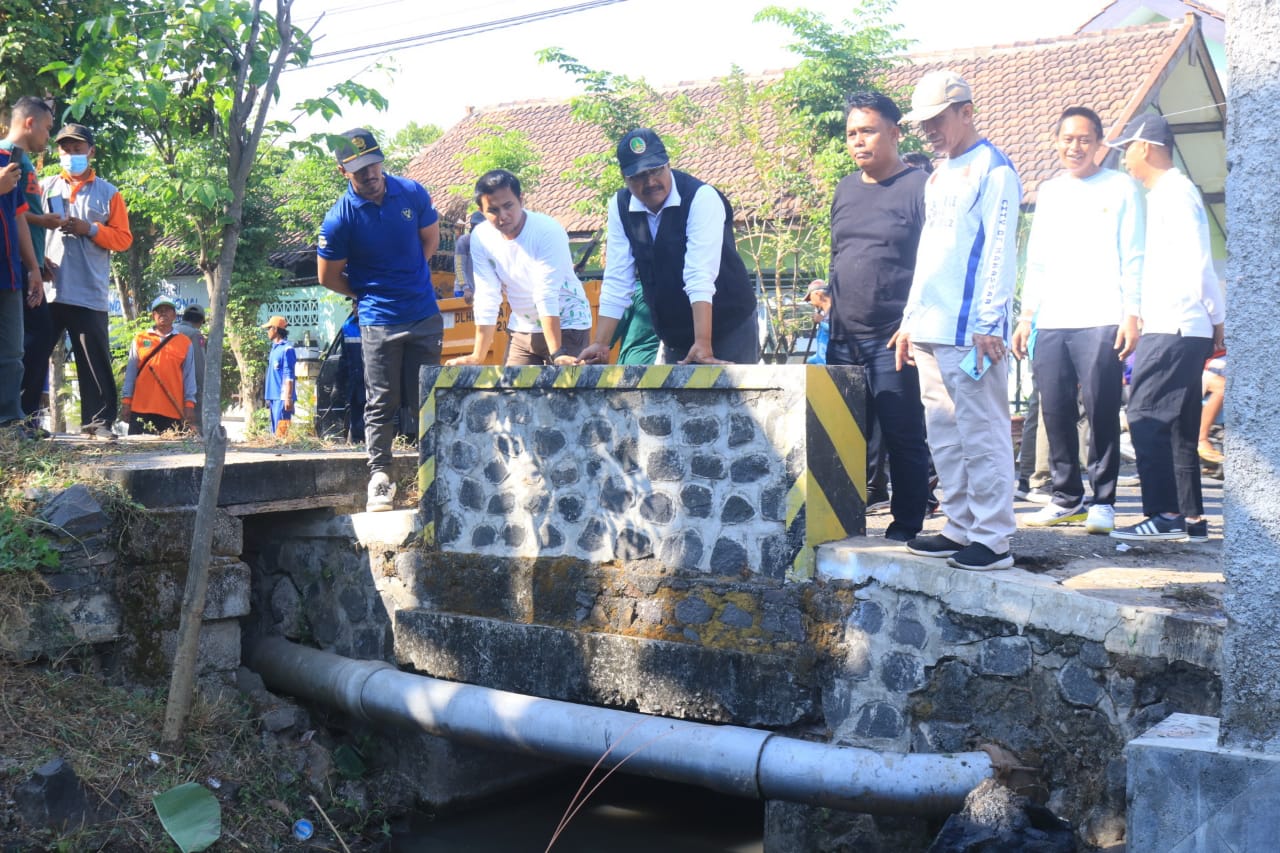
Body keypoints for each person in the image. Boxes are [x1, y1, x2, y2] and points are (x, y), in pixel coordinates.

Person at [894, 70, 1022, 571]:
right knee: (945, 433)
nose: (928, 129)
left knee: (983, 432)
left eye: (937, 118)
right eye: (922, 121)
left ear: (966, 111)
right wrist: (909, 318)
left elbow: (999, 250)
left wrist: (990, 320)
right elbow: (929, 253)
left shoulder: (994, 170)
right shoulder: (938, 173)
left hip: (972, 332)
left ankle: (993, 538)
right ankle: (959, 524)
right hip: (929, 327)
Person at [1011, 106, 1145, 535]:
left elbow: (1135, 254)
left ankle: (1103, 500)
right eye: (1068, 139)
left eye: (1084, 139)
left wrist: (1132, 312)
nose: (1075, 146)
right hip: (1052, 319)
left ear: (1099, 144)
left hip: (1102, 316)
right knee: (1054, 408)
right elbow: (1038, 260)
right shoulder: (1049, 192)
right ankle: (1066, 496)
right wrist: (1027, 315)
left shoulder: (1121, 187)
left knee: (1102, 407)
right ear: (1056, 142)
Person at [1107, 114, 1224, 543]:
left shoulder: (1174, 193)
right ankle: (1191, 517)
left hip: (1174, 322)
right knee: (1178, 424)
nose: (1124, 161)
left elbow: (1198, 262)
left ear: (1148, 147)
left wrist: (1216, 316)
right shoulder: (1168, 194)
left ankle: (1164, 513)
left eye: (1127, 151)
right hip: (1183, 324)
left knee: (1143, 414)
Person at [317, 127, 443, 512]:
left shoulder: (413, 192)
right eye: (360, 170)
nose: (370, 175)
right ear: (343, 172)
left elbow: (430, 240)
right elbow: (327, 276)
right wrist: (368, 293)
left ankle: (435, 474)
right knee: (381, 400)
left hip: (423, 313)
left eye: (374, 164)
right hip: (379, 320)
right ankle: (381, 477)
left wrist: (408, 278)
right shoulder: (339, 220)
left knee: (428, 397)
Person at [825, 91, 931, 543]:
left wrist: (914, 322)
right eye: (851, 133)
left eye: (867, 131)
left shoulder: (921, 187)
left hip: (893, 338)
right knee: (841, 436)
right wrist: (824, 293)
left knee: (903, 434)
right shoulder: (846, 189)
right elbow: (838, 254)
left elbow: (933, 263)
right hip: (842, 336)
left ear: (894, 132)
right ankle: (843, 521)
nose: (858, 141)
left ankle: (907, 526)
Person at [577, 128, 758, 366]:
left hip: (730, 324)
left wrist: (703, 343)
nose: (650, 182)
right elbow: (618, 279)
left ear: (668, 164)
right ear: (625, 178)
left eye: (656, 170)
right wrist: (601, 343)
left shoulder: (701, 197)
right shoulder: (620, 206)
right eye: (639, 177)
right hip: (675, 333)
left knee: (732, 401)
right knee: (679, 402)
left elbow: (699, 274)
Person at [41, 122, 132, 438]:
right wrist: (36, 261)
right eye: (65, 149)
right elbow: (26, 227)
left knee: (94, 360)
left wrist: (90, 229)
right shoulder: (44, 186)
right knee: (33, 354)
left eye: (77, 148)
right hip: (47, 289)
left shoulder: (108, 193)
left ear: (91, 151)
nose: (70, 154)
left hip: (88, 290)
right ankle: (21, 422)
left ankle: (98, 423)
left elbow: (123, 239)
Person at [447, 169, 592, 367]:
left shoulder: (547, 231)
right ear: (481, 211)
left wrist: (558, 353)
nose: (503, 216)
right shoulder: (480, 237)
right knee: (512, 395)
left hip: (566, 324)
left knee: (566, 395)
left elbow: (546, 292)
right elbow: (487, 294)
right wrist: (477, 357)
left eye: (508, 206)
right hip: (522, 327)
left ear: (521, 200)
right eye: (493, 210)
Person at [2, 97, 58, 436]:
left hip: (13, 269)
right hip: (13, 268)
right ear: (29, 123)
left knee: (14, 350)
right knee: (33, 336)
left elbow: (19, 214)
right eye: (49, 128)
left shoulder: (20, 163)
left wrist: (35, 266)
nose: (49, 136)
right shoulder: (5, 157)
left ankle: (16, 421)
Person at [119, 296, 197, 435]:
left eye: (167, 310)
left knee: (171, 454)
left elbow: (189, 377)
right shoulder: (140, 339)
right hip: (141, 409)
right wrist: (126, 401)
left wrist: (189, 405)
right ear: (153, 315)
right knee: (136, 452)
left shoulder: (185, 342)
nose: (163, 313)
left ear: (174, 315)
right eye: (159, 311)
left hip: (172, 410)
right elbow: (130, 374)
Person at [174, 303, 208, 432]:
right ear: (200, 321)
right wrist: (201, 389)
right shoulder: (195, 334)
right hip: (190, 390)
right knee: (196, 427)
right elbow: (199, 366)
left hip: (173, 387)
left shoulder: (173, 330)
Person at [261, 315, 296, 437]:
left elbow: (289, 375)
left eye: (269, 328)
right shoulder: (274, 349)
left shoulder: (287, 349)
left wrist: (288, 397)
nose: (267, 332)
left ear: (275, 329)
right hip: (273, 396)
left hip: (282, 398)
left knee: (282, 435)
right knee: (275, 434)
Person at [340, 303, 366, 444]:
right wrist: (338, 383)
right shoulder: (348, 326)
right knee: (355, 414)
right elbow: (344, 357)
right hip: (355, 381)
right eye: (353, 304)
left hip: (373, 381)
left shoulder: (376, 324)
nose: (355, 307)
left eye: (358, 304)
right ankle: (357, 442)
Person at [452, 211, 484, 304]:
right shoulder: (464, 241)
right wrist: (466, 288)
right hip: (463, 292)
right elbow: (459, 266)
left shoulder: (487, 243)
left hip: (480, 292)